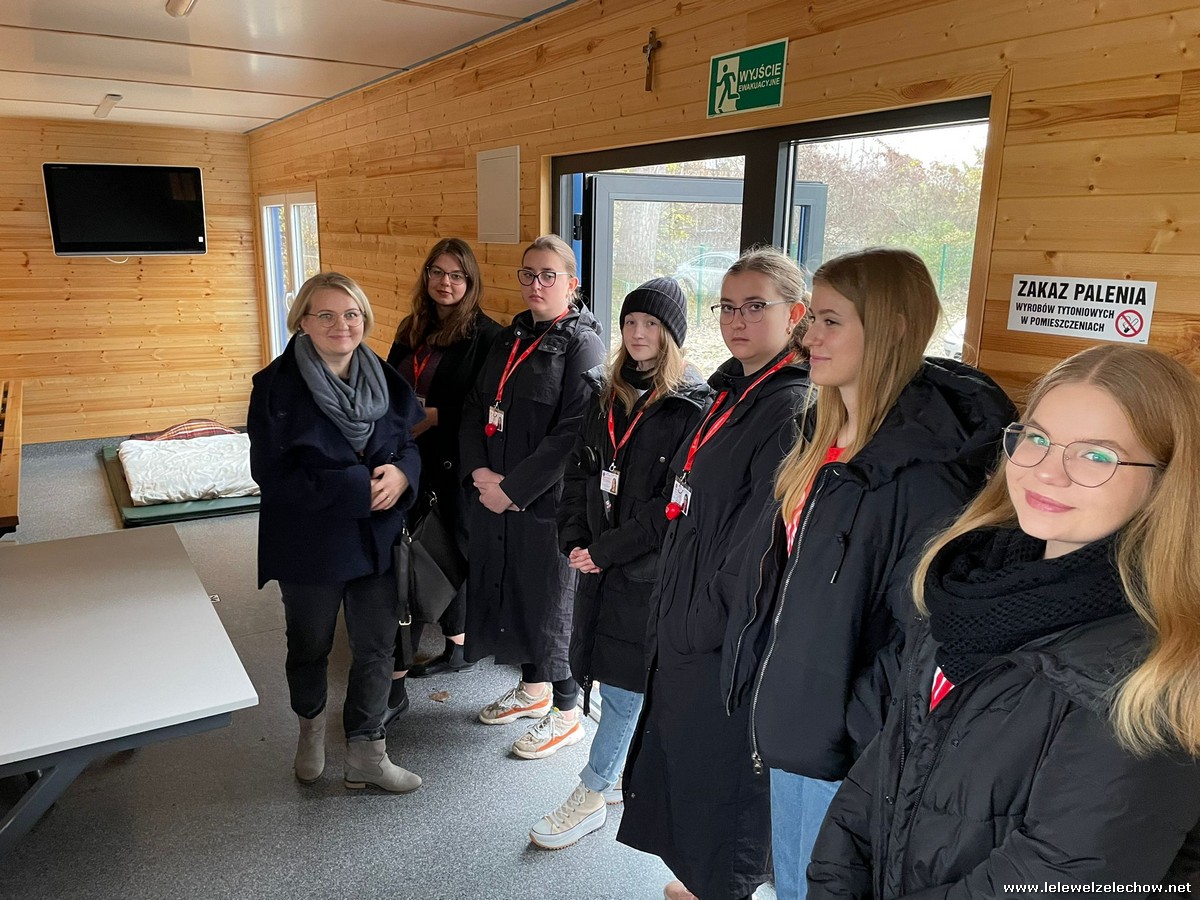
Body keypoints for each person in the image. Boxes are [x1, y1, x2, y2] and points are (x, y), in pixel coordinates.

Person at [808, 344, 1200, 893]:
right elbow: (880, 777)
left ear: (1167, 479)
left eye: (1096, 455)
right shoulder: (967, 591)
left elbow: (1061, 875)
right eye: (1036, 439)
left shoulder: (1153, 671)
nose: (1047, 472)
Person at [720, 247, 1016, 898]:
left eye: (831, 321)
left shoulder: (930, 477)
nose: (808, 338)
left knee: (818, 884)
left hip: (844, 746)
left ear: (890, 329)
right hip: (795, 719)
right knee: (791, 877)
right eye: (811, 321)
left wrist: (844, 723)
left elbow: (925, 634)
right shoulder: (818, 434)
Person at [618, 247, 811, 900]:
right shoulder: (731, 391)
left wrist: (695, 624)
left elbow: (756, 548)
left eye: (755, 306)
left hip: (721, 633)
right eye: (727, 306)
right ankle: (704, 881)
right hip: (685, 613)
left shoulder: (790, 408)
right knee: (688, 765)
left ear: (796, 314)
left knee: (723, 775)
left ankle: (722, 885)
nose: (737, 320)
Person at [529, 277, 712, 850]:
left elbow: (672, 506)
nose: (637, 333)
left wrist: (604, 551)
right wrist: (573, 538)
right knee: (609, 674)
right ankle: (610, 779)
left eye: (651, 324)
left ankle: (592, 790)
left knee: (627, 687)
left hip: (644, 573)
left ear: (671, 335)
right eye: (631, 322)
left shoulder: (692, 405)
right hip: (598, 564)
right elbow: (580, 472)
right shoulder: (605, 392)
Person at [248, 271, 424, 793]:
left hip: (377, 539)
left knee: (377, 647)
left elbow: (408, 444)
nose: (340, 325)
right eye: (325, 314)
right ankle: (310, 732)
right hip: (310, 542)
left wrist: (403, 474)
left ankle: (367, 753)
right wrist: (354, 490)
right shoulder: (275, 387)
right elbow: (271, 475)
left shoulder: (384, 377)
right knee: (310, 645)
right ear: (302, 321)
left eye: (351, 314)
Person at [458, 234, 606, 758]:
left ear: (572, 283)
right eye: (528, 274)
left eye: (548, 275)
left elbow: (572, 432)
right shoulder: (511, 336)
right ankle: (533, 689)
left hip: (545, 504)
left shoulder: (584, 344)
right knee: (512, 591)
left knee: (549, 604)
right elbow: (475, 406)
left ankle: (566, 714)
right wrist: (479, 472)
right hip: (494, 494)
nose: (536, 284)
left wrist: (513, 490)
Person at [382, 238, 503, 721]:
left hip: (454, 461)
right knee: (418, 549)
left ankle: (460, 645)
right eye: (437, 272)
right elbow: (389, 383)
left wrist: (432, 417)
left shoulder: (487, 337)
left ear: (470, 282)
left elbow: (486, 406)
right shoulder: (412, 327)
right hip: (409, 454)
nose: (445, 283)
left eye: (456, 275)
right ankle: (451, 643)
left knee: (452, 548)